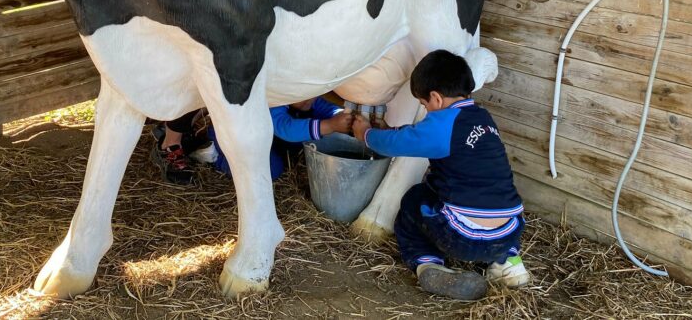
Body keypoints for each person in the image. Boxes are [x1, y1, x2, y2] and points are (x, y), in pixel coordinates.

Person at [352, 50, 529, 300]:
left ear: (435, 98)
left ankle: (428, 264)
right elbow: (421, 134)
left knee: (414, 199)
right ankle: (509, 265)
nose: (425, 109)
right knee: (486, 197)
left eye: (424, 105)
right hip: (509, 230)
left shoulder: (444, 123)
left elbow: (394, 144)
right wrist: (395, 130)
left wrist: (366, 134)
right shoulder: (483, 117)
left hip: (461, 236)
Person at [212, 96, 354, 180]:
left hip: (271, 140)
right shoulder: (274, 100)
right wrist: (331, 125)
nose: (309, 100)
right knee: (270, 170)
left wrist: (343, 116)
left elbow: (328, 109)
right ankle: (217, 157)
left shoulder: (308, 97)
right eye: (305, 97)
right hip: (236, 134)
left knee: (307, 130)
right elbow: (286, 128)